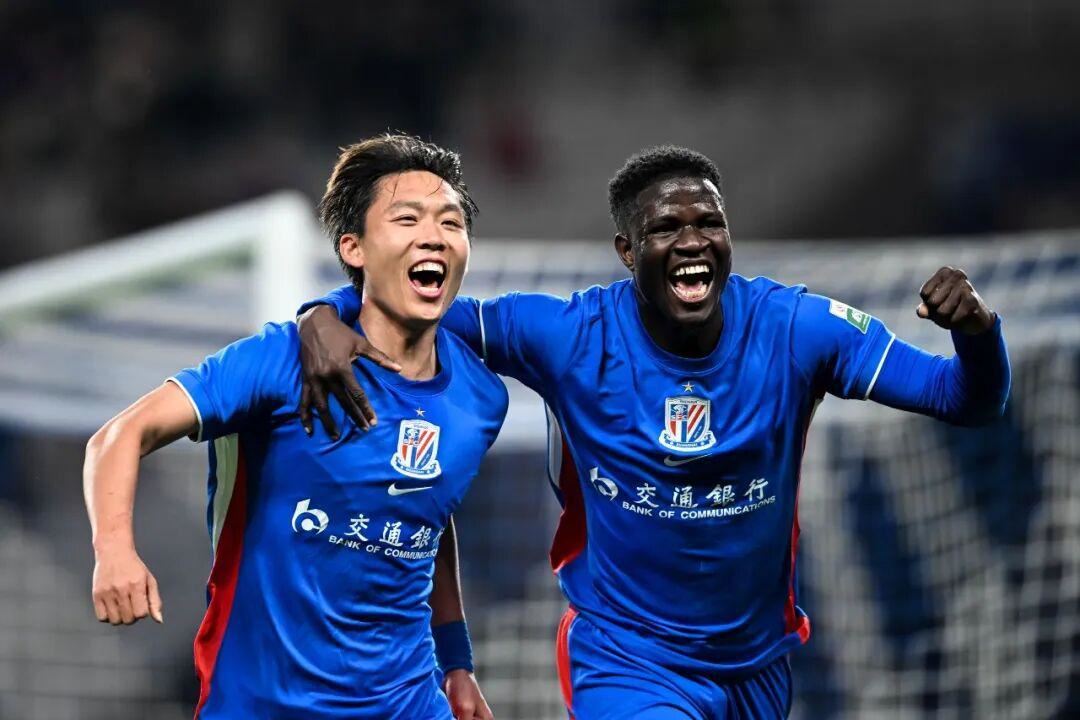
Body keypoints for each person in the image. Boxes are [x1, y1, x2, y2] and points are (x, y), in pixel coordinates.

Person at [296, 145, 1011, 719]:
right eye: (666, 229)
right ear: (627, 250)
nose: (692, 242)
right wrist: (321, 314)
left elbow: (963, 398)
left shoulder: (798, 330)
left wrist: (977, 335)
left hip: (757, 667)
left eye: (709, 224)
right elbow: (405, 303)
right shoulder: (570, 335)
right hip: (626, 660)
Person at [83, 134, 507, 719]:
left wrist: (456, 663)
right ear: (353, 247)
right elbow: (118, 436)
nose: (433, 235)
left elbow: (425, 514)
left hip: (406, 699)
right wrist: (114, 551)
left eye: (451, 222)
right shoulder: (279, 359)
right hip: (264, 702)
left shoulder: (481, 397)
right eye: (407, 219)